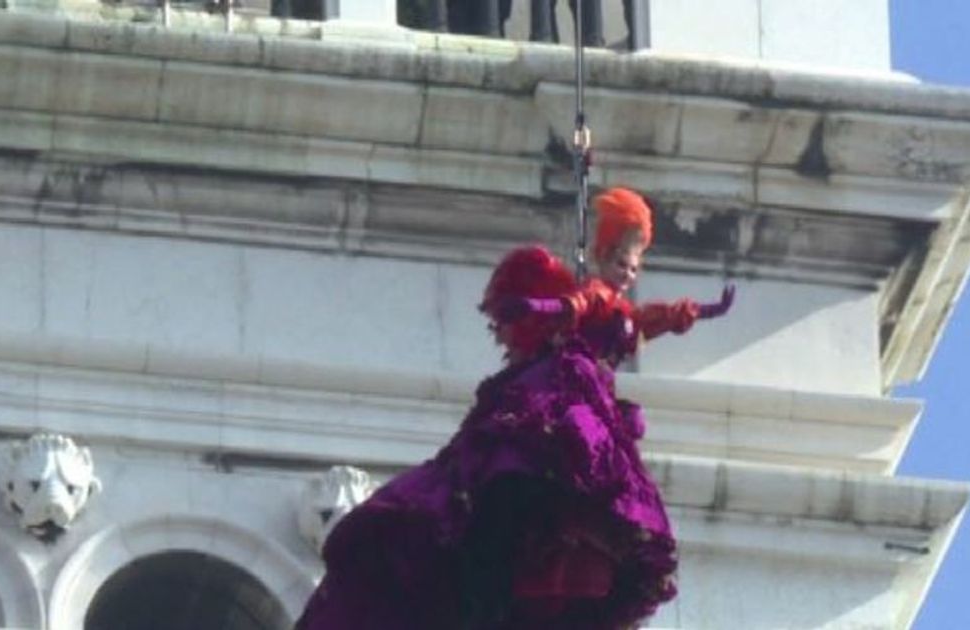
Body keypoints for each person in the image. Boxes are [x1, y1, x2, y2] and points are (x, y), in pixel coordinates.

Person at [296, 187, 734, 630]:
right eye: (622, 262)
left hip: (595, 406)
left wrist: (701, 312)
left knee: (583, 487)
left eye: (634, 265)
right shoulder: (598, 296)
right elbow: (571, 306)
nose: (627, 272)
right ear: (603, 256)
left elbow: (653, 320)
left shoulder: (624, 311)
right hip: (571, 395)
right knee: (529, 458)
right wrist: (534, 305)